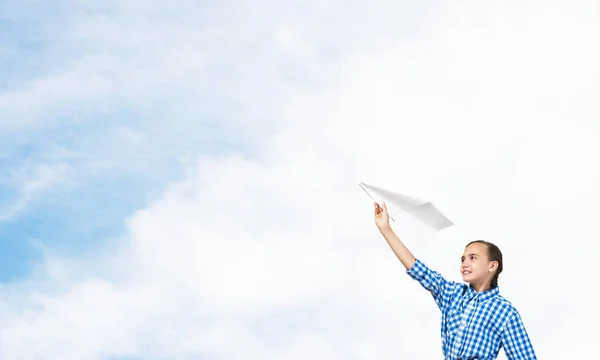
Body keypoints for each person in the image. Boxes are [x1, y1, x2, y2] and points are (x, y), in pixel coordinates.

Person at [373, 201, 537, 360]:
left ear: (492, 265)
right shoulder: (452, 294)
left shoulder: (505, 312)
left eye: (473, 258)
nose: (465, 263)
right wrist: (385, 229)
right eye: (463, 259)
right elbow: (418, 270)